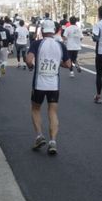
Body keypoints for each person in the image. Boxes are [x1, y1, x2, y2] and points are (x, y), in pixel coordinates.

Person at [26, 20, 71, 155]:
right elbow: (68, 64)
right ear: (54, 31)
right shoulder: (60, 45)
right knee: (52, 112)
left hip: (39, 83)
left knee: (35, 109)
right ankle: (53, 142)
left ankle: (39, 136)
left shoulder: (37, 44)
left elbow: (29, 60)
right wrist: (58, 64)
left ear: (42, 31)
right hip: (54, 84)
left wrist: (31, 66)